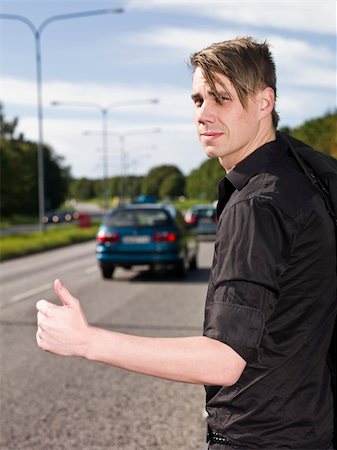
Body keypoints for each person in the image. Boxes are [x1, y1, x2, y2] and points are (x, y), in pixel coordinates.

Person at [36, 37, 336, 449]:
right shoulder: (304, 174)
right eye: (197, 100)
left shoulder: (258, 205)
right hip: (310, 426)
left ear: (265, 103)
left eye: (221, 99)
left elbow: (224, 360)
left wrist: (88, 341)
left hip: (263, 437)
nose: (203, 114)